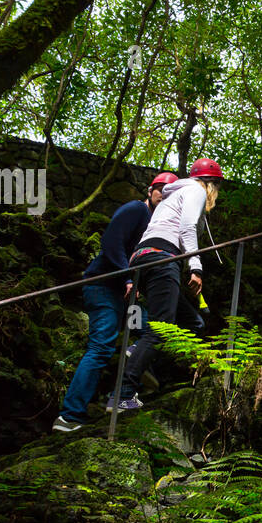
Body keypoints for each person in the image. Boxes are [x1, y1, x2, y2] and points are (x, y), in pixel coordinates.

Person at [51, 172, 177, 431]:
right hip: (104, 286)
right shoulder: (136, 210)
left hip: (127, 295)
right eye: (160, 190)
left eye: (170, 193)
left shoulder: (157, 224)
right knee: (101, 347)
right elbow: (111, 243)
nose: (164, 196)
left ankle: (131, 377)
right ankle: (69, 416)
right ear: (150, 190)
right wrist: (128, 278)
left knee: (155, 330)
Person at [110, 157, 223, 412]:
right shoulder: (195, 190)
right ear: (211, 184)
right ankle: (122, 393)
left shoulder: (172, 196)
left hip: (143, 257)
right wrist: (196, 266)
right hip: (162, 257)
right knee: (160, 329)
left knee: (193, 323)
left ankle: (140, 352)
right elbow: (186, 229)